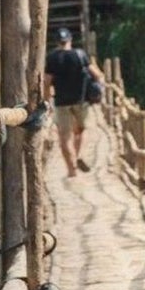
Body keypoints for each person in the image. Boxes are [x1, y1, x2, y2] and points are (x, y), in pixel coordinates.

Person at [43, 26, 99, 178]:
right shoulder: (80, 55)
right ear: (70, 40)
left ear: (57, 41)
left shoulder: (52, 58)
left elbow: (47, 82)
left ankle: (71, 170)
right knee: (80, 130)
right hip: (81, 101)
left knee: (64, 137)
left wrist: (47, 101)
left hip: (61, 102)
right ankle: (79, 155)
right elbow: (96, 75)